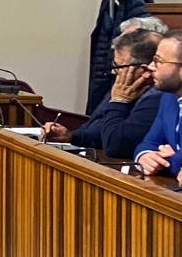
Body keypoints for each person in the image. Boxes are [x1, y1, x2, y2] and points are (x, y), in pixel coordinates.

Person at [44, 29, 162, 158]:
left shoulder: (156, 97)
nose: (113, 72)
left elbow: (115, 145)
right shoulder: (126, 88)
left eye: (118, 66)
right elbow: (102, 128)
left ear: (145, 69)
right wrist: (71, 136)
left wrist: (119, 102)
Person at [134, 34, 182, 180]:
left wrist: (171, 160)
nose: (150, 67)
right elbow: (149, 143)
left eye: (158, 61)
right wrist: (145, 156)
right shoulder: (168, 98)